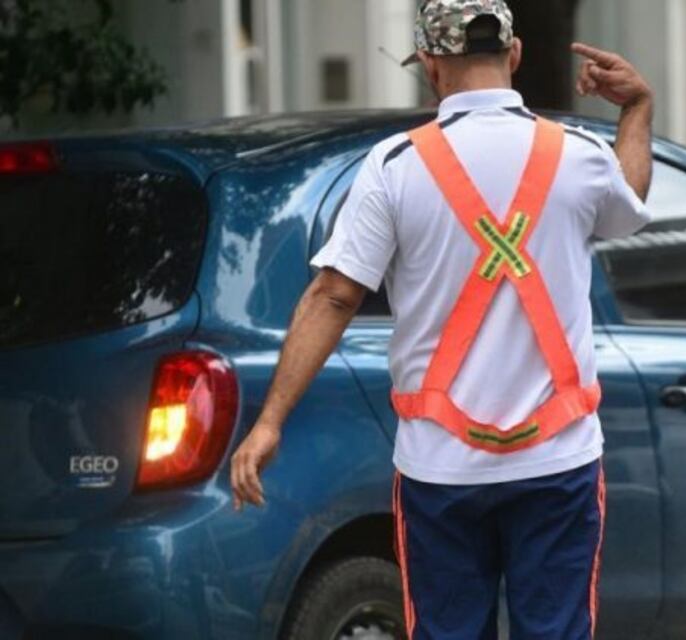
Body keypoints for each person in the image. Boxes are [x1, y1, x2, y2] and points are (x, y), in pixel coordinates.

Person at [231, 0, 655, 637]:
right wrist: (636, 110)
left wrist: (269, 423)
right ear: (513, 56)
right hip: (558, 462)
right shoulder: (576, 155)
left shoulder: (393, 168)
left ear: (431, 66)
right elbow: (629, 198)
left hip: (441, 469)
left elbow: (333, 297)